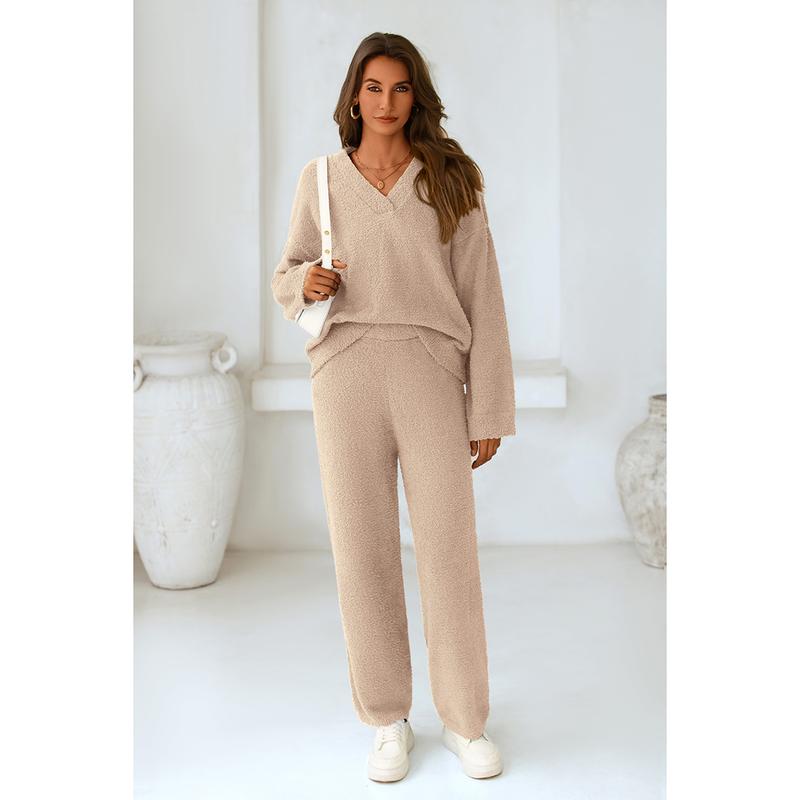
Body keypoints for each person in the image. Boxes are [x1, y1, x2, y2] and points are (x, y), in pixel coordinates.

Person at [272, 32, 515, 782]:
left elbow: (482, 293)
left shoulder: (451, 177)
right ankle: (386, 719)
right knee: (361, 551)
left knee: (449, 549)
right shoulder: (319, 179)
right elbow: (287, 274)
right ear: (354, 96)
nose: (386, 102)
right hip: (343, 373)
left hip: (430, 371)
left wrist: (488, 408)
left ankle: (466, 721)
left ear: (417, 97)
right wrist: (306, 282)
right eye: (373, 87)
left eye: (400, 87)